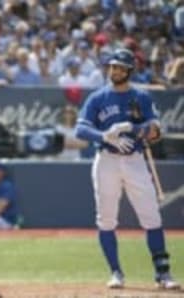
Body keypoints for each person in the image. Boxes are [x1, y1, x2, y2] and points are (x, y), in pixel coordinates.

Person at [75, 48, 181, 290]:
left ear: (130, 70)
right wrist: (104, 136)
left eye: (120, 67)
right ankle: (116, 272)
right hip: (106, 160)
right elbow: (80, 130)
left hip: (135, 159)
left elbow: (155, 130)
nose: (115, 71)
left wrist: (132, 128)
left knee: (151, 216)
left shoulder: (141, 97)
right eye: (113, 66)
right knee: (106, 219)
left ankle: (162, 274)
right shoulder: (98, 98)